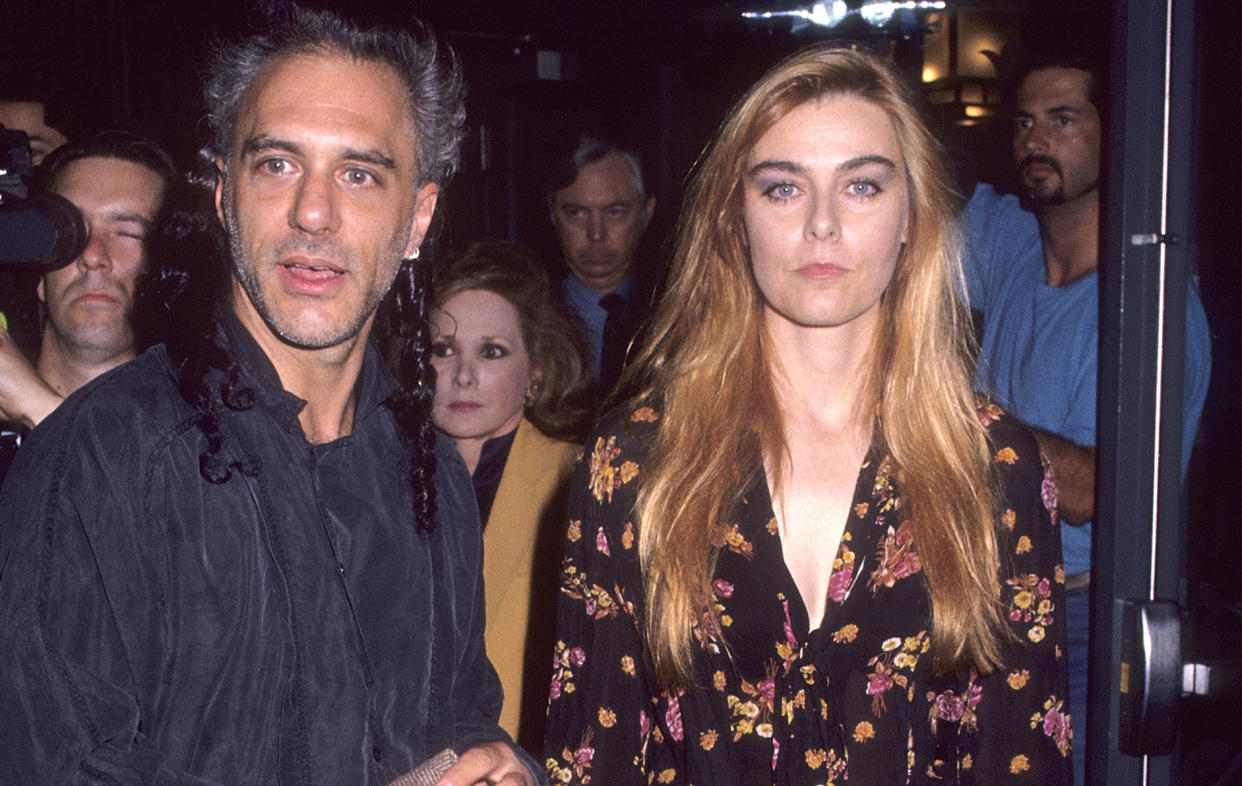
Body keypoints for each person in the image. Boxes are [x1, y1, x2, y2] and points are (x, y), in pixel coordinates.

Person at [0, 5, 539, 784]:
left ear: (417, 217)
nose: (312, 212)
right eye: (278, 164)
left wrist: (499, 764)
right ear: (223, 194)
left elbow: (456, 717)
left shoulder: (430, 476)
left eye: (358, 174)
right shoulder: (100, 463)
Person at [544, 46, 1072, 784]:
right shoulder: (635, 461)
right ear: (736, 218)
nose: (822, 225)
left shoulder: (996, 467)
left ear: (911, 218)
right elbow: (591, 759)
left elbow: (1020, 759)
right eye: (784, 189)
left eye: (861, 186)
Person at [961, 48, 1211, 783]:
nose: (1036, 140)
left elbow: (1099, 490)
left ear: (1119, 136)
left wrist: (960, 412)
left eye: (1064, 120)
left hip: (1080, 617)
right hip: (984, 595)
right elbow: (899, 202)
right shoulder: (1011, 242)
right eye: (1025, 122)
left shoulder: (1152, 311)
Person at [428, 239, 590, 753]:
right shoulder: (374, 481)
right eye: (443, 350)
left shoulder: (580, 478)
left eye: (491, 352)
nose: (463, 374)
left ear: (535, 370)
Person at [0, 129, 177, 484]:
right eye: (68, 232)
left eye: (129, 234)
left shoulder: (206, 442)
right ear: (36, 270)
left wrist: (39, 408)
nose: (93, 256)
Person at [546, 132, 657, 399]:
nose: (596, 234)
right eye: (577, 212)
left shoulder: (679, 312)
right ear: (553, 213)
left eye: (614, 212)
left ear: (646, 212)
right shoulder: (526, 318)